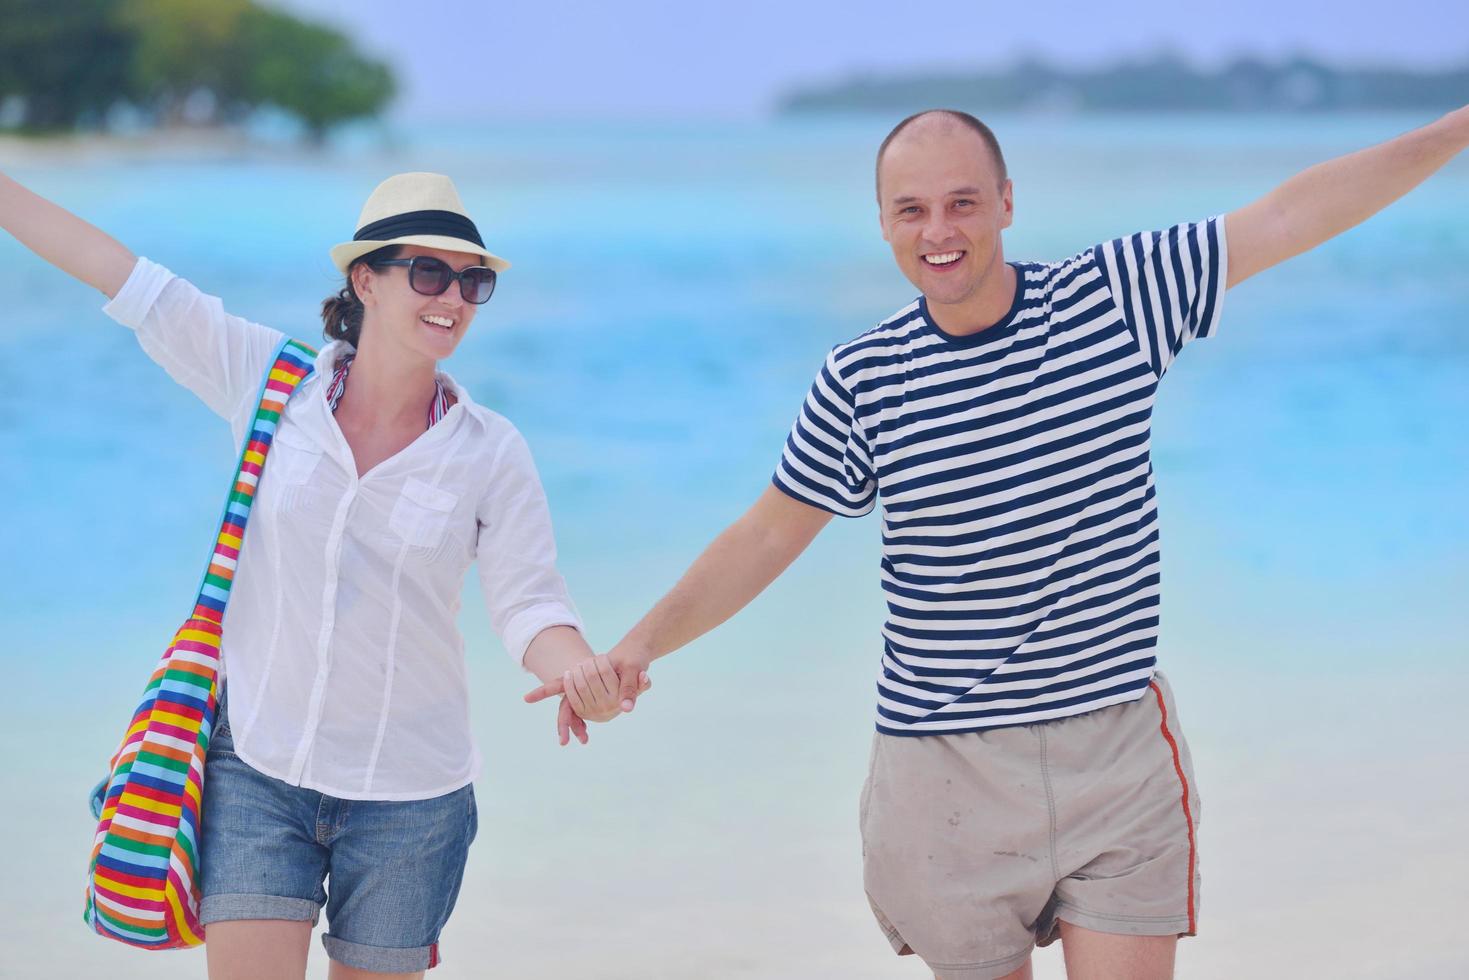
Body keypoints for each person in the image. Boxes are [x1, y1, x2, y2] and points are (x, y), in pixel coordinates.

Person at [527, 106, 1469, 979]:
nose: (940, 231)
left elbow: (1290, 215)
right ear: (884, 225)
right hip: (943, 773)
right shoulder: (862, 377)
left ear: (1007, 204)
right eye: (913, 210)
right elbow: (770, 530)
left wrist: (1458, 128)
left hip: (1111, 752)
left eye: (963, 203)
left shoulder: (1116, 301)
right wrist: (636, 648)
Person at [0, 170, 645, 980]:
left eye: (472, 280)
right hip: (258, 771)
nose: (453, 295)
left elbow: (529, 603)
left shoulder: (491, 449)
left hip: (414, 799)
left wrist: (580, 670)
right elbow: (118, 272)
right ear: (364, 278)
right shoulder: (270, 382)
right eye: (428, 272)